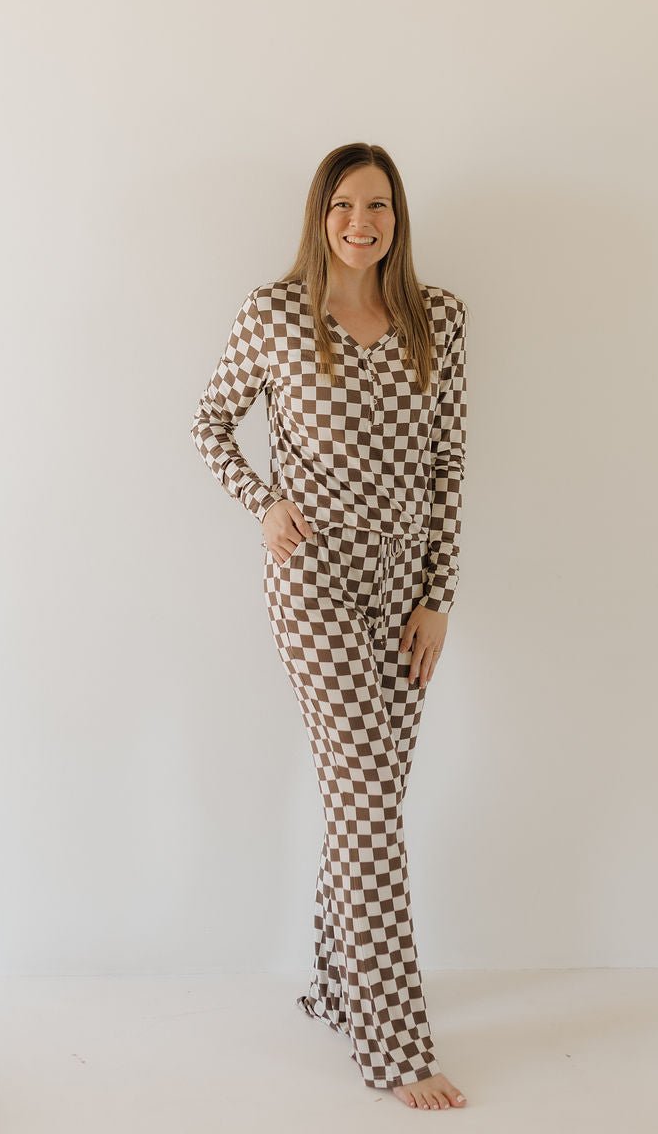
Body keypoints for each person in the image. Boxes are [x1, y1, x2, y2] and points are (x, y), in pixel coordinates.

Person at [190, 143, 469, 1111]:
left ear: (399, 218)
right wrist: (261, 502)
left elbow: (448, 466)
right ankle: (396, 1047)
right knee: (366, 800)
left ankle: (339, 988)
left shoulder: (440, 321)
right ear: (320, 216)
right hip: (312, 579)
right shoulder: (276, 314)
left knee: (369, 799)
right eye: (345, 205)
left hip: (404, 586)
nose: (362, 222)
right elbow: (210, 424)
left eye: (379, 205)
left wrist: (437, 595)